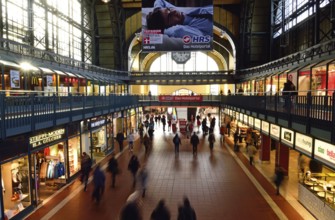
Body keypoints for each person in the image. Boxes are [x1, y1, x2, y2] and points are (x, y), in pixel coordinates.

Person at [146, 0, 213, 39]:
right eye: (170, 16)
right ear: (168, 26)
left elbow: (159, 1)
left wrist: (157, 10)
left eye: (168, 9)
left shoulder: (172, 11)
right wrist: (165, 31)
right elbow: (201, 38)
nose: (174, 11)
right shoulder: (181, 30)